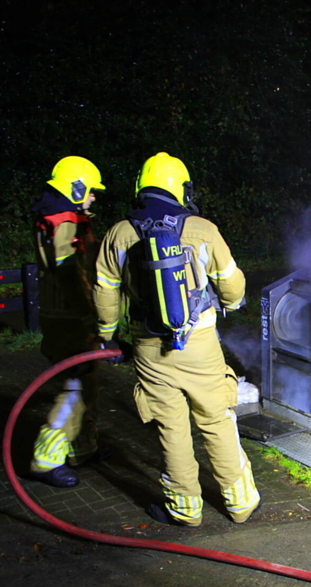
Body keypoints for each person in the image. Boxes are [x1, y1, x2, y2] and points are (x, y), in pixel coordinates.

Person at [93, 152, 260, 526]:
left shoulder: (119, 233)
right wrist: (232, 304)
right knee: (217, 419)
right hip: (200, 343)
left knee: (171, 427)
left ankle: (185, 509)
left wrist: (106, 337)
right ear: (180, 188)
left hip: (149, 348)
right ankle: (241, 502)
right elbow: (232, 284)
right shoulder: (202, 229)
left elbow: (105, 293)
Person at [29, 156, 106, 488]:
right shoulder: (66, 222)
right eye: (90, 191)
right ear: (75, 187)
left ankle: (81, 449)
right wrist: (91, 312)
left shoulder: (54, 217)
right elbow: (70, 272)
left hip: (61, 314)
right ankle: (46, 458)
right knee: (73, 386)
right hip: (69, 318)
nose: (92, 198)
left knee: (84, 384)